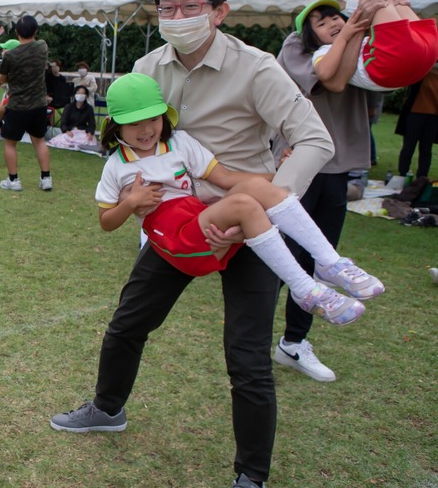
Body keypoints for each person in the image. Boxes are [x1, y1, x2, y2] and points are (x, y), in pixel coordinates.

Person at [49, 0, 335, 488]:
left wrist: (266, 201)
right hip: (176, 220)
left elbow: (313, 139)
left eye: (191, 6)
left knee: (247, 357)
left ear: (219, 11)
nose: (177, 17)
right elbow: (135, 143)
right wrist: (136, 206)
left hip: (244, 220)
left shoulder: (256, 69)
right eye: (168, 8)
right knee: (129, 322)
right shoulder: (148, 66)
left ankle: (250, 483)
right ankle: (107, 408)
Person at [95, 73, 370, 324]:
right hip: (173, 238)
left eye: (153, 119)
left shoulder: (179, 142)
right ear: (115, 126)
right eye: (134, 124)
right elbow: (106, 222)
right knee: (244, 204)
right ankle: (304, 289)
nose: (146, 130)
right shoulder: (117, 166)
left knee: (254, 189)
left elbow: (225, 178)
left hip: (199, 221)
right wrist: (130, 203)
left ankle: (330, 262)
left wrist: (282, 173)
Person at [273, 0, 388, 383]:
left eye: (337, 16)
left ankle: (293, 342)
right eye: (323, 20)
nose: (334, 23)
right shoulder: (295, 46)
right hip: (299, 164)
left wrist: (364, 27)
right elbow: (330, 79)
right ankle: (254, 339)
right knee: (278, 257)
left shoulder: (356, 40)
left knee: (320, 258)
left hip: (337, 167)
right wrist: (354, 28)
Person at [0, 15, 52, 192]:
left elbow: (0, 80)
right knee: (39, 141)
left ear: (16, 32)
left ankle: (14, 180)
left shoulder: (10, 56)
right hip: (39, 103)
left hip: (17, 105)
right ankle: (46, 178)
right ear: (35, 31)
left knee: (10, 144)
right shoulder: (42, 47)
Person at [396, 65, 438, 180]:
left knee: (425, 148)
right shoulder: (421, 72)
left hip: (431, 116)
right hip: (416, 113)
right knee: (410, 146)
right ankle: (403, 173)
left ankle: (422, 176)